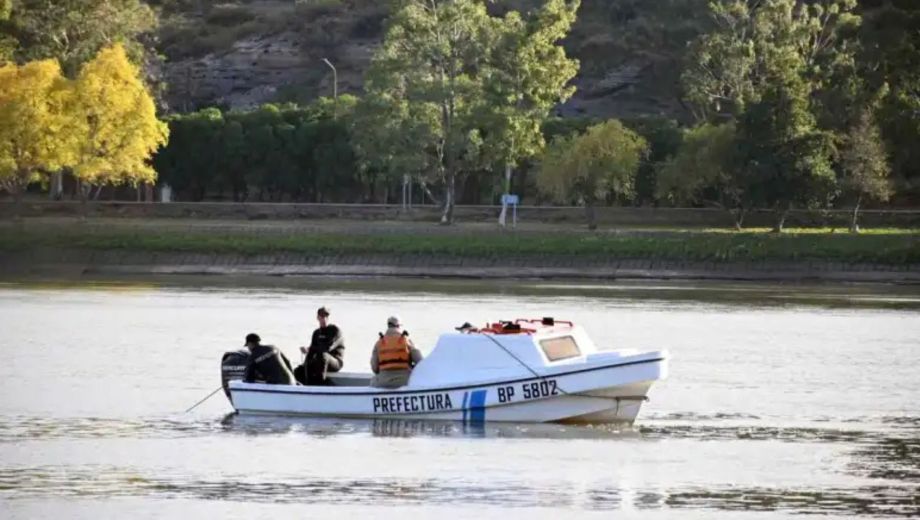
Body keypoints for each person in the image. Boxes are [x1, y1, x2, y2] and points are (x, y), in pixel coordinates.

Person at [370, 316, 423, 388]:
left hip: (383, 382)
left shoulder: (379, 343)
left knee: (373, 381)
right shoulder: (407, 341)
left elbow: (374, 368)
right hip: (405, 381)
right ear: (398, 326)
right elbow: (420, 362)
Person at [297, 306, 345, 385]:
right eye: (322, 316)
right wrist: (305, 365)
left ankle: (321, 384)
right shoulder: (316, 333)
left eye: (326, 316)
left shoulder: (335, 331)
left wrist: (309, 349)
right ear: (318, 318)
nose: (324, 319)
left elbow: (328, 348)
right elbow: (311, 352)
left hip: (335, 362)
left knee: (323, 355)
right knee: (299, 370)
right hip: (320, 361)